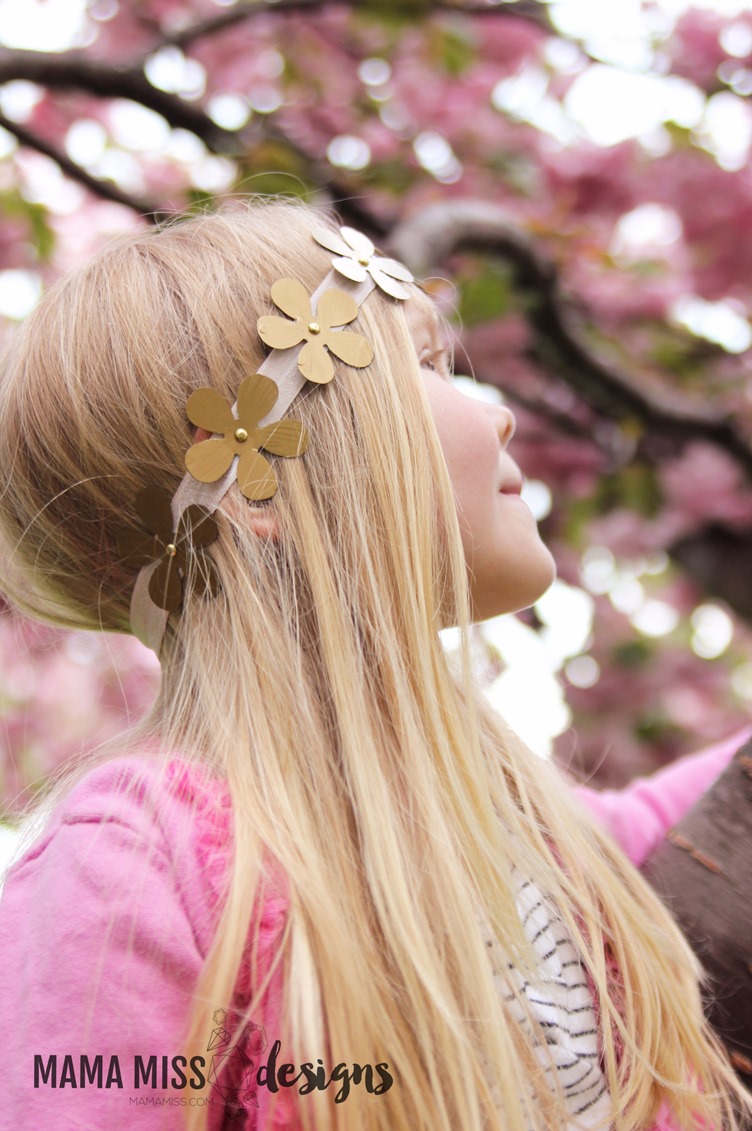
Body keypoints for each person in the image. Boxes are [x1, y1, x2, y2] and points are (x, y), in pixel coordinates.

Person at [0, 198, 749, 1131]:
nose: (505, 417)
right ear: (254, 481)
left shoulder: (508, 814)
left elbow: (650, 828)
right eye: (429, 363)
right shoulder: (132, 869)